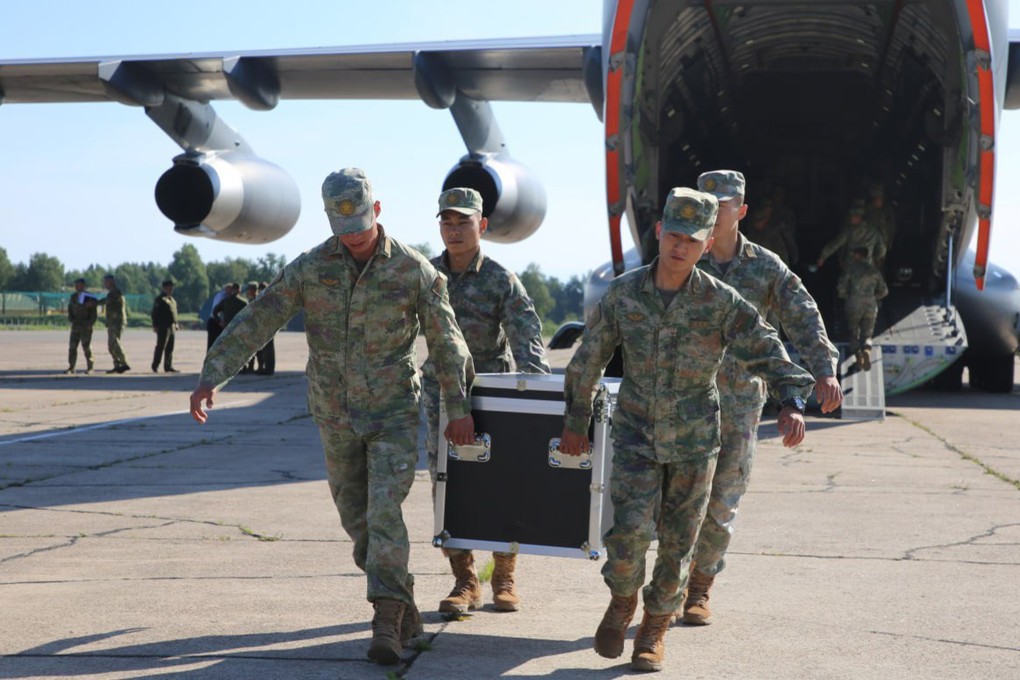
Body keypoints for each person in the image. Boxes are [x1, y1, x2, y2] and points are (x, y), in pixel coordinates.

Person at [189, 167, 476, 666]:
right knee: (357, 520)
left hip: (393, 415)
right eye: (344, 231)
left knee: (385, 511)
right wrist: (213, 375)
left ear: (378, 212)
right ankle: (401, 597)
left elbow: (448, 343)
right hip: (334, 415)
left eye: (361, 228)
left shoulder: (413, 271)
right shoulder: (310, 267)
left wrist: (458, 409)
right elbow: (260, 318)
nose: (355, 240)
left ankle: (385, 617)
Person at [558, 187, 815, 673]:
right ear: (659, 232)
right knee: (628, 535)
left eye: (693, 240)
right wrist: (576, 422)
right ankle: (622, 600)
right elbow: (587, 360)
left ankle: (654, 629)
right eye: (674, 235)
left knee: (679, 542)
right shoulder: (624, 293)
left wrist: (791, 399)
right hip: (635, 433)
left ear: (707, 242)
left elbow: (765, 346)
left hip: (697, 441)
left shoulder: (721, 301)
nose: (681, 247)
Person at [683, 170, 842, 626]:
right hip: (683, 401)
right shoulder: (682, 258)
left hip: (739, 405)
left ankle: (699, 588)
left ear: (742, 210)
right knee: (676, 502)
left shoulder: (765, 266)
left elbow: (803, 315)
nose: (715, 211)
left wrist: (823, 371)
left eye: (725, 203)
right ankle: (670, 583)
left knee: (721, 502)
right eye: (707, 202)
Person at [422, 187, 551, 615]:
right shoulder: (424, 275)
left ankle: (504, 575)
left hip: (492, 395)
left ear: (483, 225)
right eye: (447, 222)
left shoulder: (500, 279)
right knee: (447, 485)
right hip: (439, 393)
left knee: (503, 485)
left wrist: (537, 399)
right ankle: (464, 581)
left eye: (463, 222)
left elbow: (527, 338)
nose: (454, 231)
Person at [838, 246, 889, 370]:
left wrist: (846, 296)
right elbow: (884, 291)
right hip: (871, 304)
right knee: (867, 333)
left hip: (854, 303)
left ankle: (859, 357)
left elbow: (841, 288)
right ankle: (867, 350)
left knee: (853, 332)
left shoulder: (850, 269)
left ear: (858, 255)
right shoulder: (874, 271)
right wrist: (873, 297)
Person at [815, 198, 886, 272]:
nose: (850, 218)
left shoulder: (849, 230)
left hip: (851, 267)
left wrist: (823, 256)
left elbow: (836, 244)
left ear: (858, 217)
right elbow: (882, 250)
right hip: (868, 267)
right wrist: (874, 258)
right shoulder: (873, 230)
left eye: (852, 216)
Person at [100, 274, 131, 373]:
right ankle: (117, 365)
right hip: (112, 322)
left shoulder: (116, 293)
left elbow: (106, 301)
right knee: (111, 345)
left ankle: (124, 363)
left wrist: (93, 302)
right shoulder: (112, 293)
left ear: (112, 282)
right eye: (105, 282)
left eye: (107, 282)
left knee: (115, 343)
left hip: (117, 322)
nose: (105, 284)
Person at [66, 278, 97, 374]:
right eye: (75, 285)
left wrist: (90, 324)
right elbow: (70, 309)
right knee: (72, 347)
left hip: (85, 325)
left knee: (86, 347)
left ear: (83, 285)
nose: (76, 287)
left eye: (78, 285)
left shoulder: (89, 297)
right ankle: (71, 367)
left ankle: (90, 367)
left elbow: (93, 313)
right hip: (76, 325)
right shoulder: (73, 297)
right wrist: (71, 319)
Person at [150, 279, 179, 373]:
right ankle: (155, 365)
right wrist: (155, 325)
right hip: (163, 326)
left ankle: (168, 366)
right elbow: (155, 313)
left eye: (172, 287)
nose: (171, 289)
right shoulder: (160, 299)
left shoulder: (172, 300)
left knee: (170, 347)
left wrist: (176, 323)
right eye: (169, 287)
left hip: (172, 326)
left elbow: (174, 313)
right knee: (161, 346)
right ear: (164, 288)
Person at [254, 281, 276, 375]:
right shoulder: (264, 298)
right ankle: (265, 368)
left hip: (267, 326)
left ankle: (269, 369)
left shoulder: (268, 298)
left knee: (268, 349)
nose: (260, 291)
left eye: (261, 289)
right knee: (264, 349)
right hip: (263, 325)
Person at [206, 283, 231, 350]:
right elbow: (216, 311)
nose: (231, 292)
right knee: (212, 345)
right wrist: (220, 322)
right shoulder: (222, 296)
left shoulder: (222, 295)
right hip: (215, 322)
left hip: (217, 321)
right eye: (230, 290)